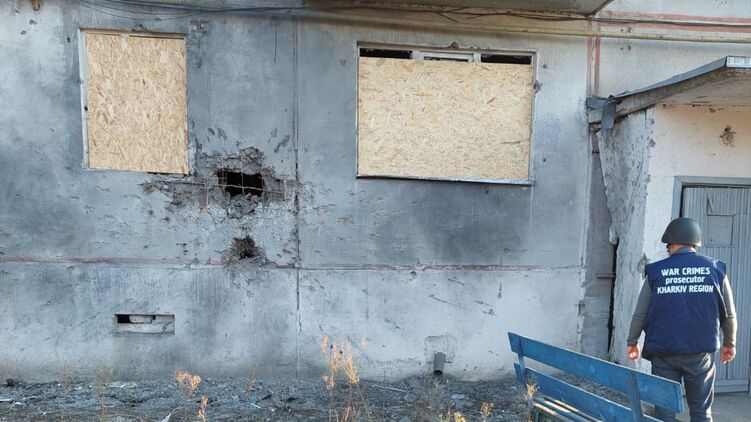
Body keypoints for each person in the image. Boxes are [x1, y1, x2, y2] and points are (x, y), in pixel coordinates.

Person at [626, 217, 737, 422]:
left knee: (664, 413)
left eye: (668, 246)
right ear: (695, 243)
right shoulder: (716, 270)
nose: (667, 250)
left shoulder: (656, 271)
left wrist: (632, 342)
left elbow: (640, 313)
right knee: (701, 412)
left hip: (663, 353)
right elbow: (729, 315)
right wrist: (729, 343)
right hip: (700, 354)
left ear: (673, 243)